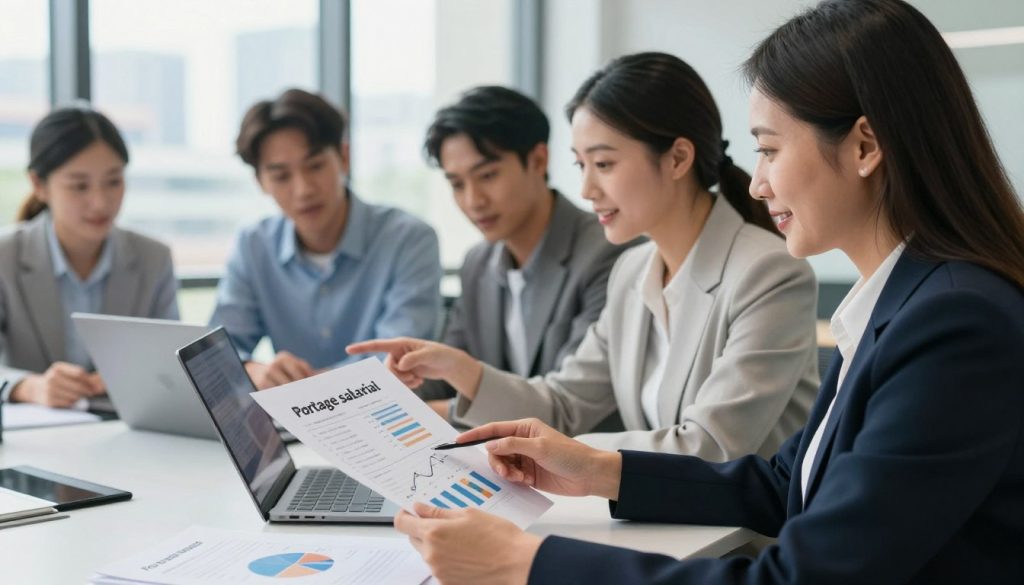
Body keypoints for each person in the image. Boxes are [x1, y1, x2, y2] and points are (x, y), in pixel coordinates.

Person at [387, 0, 1024, 583]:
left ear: (864, 146)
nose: (758, 184)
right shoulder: (902, 302)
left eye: (771, 150)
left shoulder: (952, 322)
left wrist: (527, 564)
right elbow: (785, 486)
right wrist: (598, 470)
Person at [350, 52, 819, 459]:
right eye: (581, 165)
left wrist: (560, 451)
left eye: (605, 164)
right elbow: (563, 406)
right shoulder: (632, 271)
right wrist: (463, 371)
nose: (587, 189)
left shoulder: (769, 273)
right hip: (661, 523)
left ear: (678, 159)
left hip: (745, 545)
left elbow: (712, 447)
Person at [415, 85, 637, 423]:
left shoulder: (609, 253)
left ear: (538, 160)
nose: (474, 200)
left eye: (487, 176)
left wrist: (426, 414)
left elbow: (568, 401)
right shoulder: (478, 262)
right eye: (457, 184)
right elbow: (444, 374)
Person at [211, 89, 442, 390]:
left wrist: (303, 388)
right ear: (260, 182)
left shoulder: (409, 239)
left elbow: (398, 359)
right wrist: (254, 370)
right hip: (296, 426)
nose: (303, 189)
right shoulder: (253, 244)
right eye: (281, 176)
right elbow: (216, 350)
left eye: (315, 166)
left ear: (343, 158)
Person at [0, 106, 179, 408]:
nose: (100, 202)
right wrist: (29, 387)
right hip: (33, 436)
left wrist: (131, 377)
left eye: (113, 181)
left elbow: (172, 362)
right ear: (39, 186)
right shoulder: (5, 257)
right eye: (79, 186)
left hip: (123, 434)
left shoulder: (153, 259)